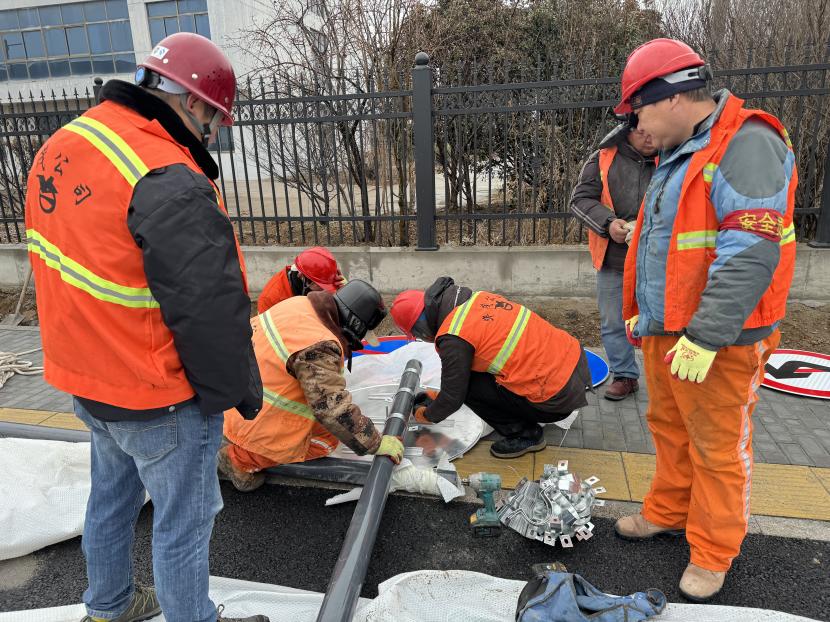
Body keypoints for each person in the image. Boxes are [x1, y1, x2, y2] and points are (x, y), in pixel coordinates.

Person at [25, 33, 269, 622]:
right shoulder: (165, 174)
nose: (214, 134)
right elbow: (208, 307)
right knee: (184, 523)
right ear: (193, 102)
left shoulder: (66, 143)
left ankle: (108, 608)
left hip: (87, 377)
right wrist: (234, 388)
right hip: (156, 389)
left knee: (111, 500)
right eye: (215, 119)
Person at [613, 38, 797, 602]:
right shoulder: (685, 150)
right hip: (672, 331)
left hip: (717, 339)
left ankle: (714, 552)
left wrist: (705, 335)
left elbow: (750, 250)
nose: (637, 127)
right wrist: (647, 318)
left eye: (637, 111)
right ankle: (669, 511)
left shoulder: (747, 143)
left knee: (718, 448)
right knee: (670, 429)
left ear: (669, 97)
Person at [219, 279, 405, 492]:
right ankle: (239, 459)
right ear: (354, 325)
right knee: (326, 442)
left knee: (327, 428)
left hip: (232, 402)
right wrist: (375, 443)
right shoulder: (319, 346)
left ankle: (237, 440)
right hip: (253, 418)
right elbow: (332, 408)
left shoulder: (299, 304)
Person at [390, 277, 592, 459]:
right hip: (574, 370)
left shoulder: (453, 336)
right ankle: (524, 413)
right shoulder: (474, 299)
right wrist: (438, 397)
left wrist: (426, 415)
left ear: (420, 328)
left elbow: (454, 397)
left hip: (556, 399)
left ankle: (526, 435)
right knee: (466, 376)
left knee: (468, 388)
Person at [570, 122, 657, 400]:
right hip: (614, 258)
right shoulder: (603, 158)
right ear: (627, 130)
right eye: (642, 132)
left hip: (660, 260)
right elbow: (580, 200)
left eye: (654, 130)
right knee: (613, 321)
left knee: (665, 322)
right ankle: (625, 375)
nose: (650, 138)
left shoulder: (674, 156)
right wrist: (608, 224)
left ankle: (667, 382)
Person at [256, 246, 346, 313]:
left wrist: (341, 294)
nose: (324, 290)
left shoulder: (330, 280)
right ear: (301, 276)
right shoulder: (269, 299)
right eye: (321, 285)